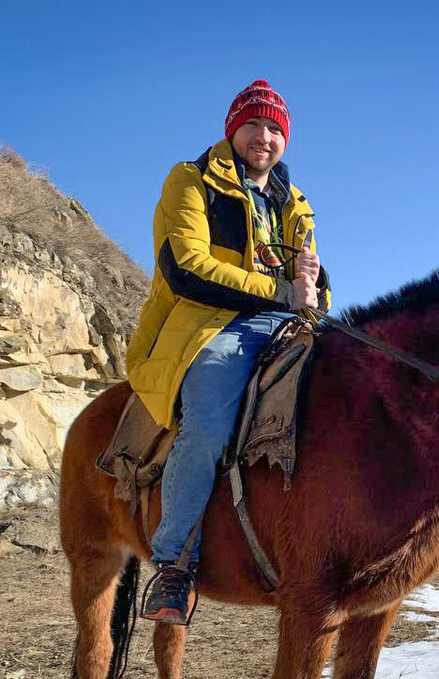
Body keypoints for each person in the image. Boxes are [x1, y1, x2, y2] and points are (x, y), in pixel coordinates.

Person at [125, 79, 329, 626]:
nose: (264, 136)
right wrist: (283, 292)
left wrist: (314, 292)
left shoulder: (294, 202)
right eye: (254, 124)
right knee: (209, 425)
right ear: (233, 128)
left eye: (275, 128)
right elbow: (185, 266)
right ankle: (173, 564)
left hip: (287, 323)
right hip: (213, 323)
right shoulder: (190, 181)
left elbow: (311, 281)